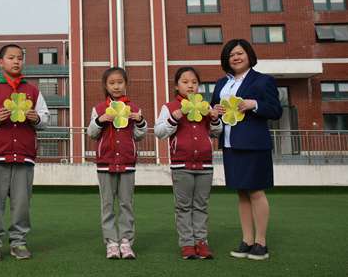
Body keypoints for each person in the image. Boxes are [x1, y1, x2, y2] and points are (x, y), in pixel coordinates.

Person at [0, 44, 49, 261]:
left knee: (22, 203)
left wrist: (37, 118)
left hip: (24, 156)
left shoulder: (33, 91)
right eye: (11, 57)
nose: (16, 61)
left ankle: (19, 241)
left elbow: (45, 118)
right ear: (0, 62)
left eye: (19, 58)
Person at [211, 39, 282, 261]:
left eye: (240, 53)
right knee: (241, 192)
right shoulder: (221, 83)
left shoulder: (263, 81)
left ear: (249, 55)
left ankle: (261, 243)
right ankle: (247, 240)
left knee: (256, 191)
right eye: (231, 55)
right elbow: (213, 110)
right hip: (230, 145)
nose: (236, 57)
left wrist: (254, 104)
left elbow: (276, 110)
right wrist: (214, 110)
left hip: (254, 144)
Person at [154, 67, 222, 259]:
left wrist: (215, 119)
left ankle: (201, 242)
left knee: (201, 205)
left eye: (194, 82)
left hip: (205, 165)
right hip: (181, 165)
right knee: (183, 206)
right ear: (177, 86)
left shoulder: (206, 107)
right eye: (185, 82)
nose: (190, 85)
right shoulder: (169, 107)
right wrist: (173, 118)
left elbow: (216, 132)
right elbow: (159, 132)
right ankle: (187, 244)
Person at [86, 67, 147, 259]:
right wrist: (100, 120)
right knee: (107, 204)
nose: (116, 86)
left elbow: (139, 135)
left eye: (120, 82)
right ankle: (111, 242)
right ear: (106, 86)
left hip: (127, 163)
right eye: (111, 83)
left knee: (126, 204)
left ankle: (126, 242)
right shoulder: (98, 109)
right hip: (105, 163)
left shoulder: (134, 109)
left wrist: (140, 121)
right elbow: (91, 133)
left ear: (126, 84)